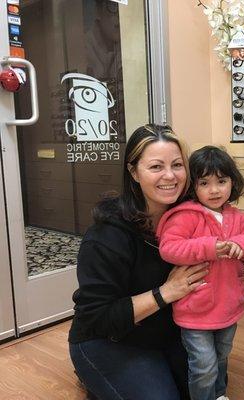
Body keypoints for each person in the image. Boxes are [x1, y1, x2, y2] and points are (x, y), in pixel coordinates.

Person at [69, 124, 209, 400]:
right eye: (156, 167)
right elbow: (98, 317)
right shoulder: (106, 235)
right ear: (133, 172)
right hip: (109, 338)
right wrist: (167, 291)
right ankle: (92, 374)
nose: (170, 176)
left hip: (165, 331)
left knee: (209, 385)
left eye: (177, 165)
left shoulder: (193, 217)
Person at [156, 145, 244, 400]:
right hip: (195, 308)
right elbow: (169, 248)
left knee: (222, 356)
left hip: (229, 305)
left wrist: (242, 246)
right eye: (204, 183)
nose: (214, 190)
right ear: (193, 186)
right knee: (203, 365)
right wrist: (210, 247)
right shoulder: (185, 216)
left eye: (221, 181)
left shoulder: (236, 217)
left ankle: (219, 394)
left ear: (232, 182)